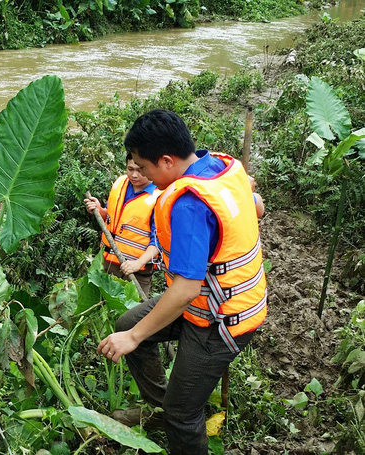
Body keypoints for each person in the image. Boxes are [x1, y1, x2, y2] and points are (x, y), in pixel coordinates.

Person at [96, 109, 267, 454]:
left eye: (143, 168)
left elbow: (186, 289)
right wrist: (133, 332)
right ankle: (167, 404)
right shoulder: (221, 167)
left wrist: (132, 338)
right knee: (128, 321)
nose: (140, 174)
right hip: (209, 300)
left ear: (166, 160)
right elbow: (257, 207)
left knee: (181, 411)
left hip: (221, 320)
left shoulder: (188, 204)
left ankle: (178, 412)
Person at [84, 154, 161, 296]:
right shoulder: (120, 184)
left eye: (139, 170)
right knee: (102, 307)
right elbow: (112, 218)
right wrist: (99, 210)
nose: (134, 175)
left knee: (132, 314)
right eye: (130, 169)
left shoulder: (159, 197)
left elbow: (158, 240)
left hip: (136, 270)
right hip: (108, 262)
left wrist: (138, 263)